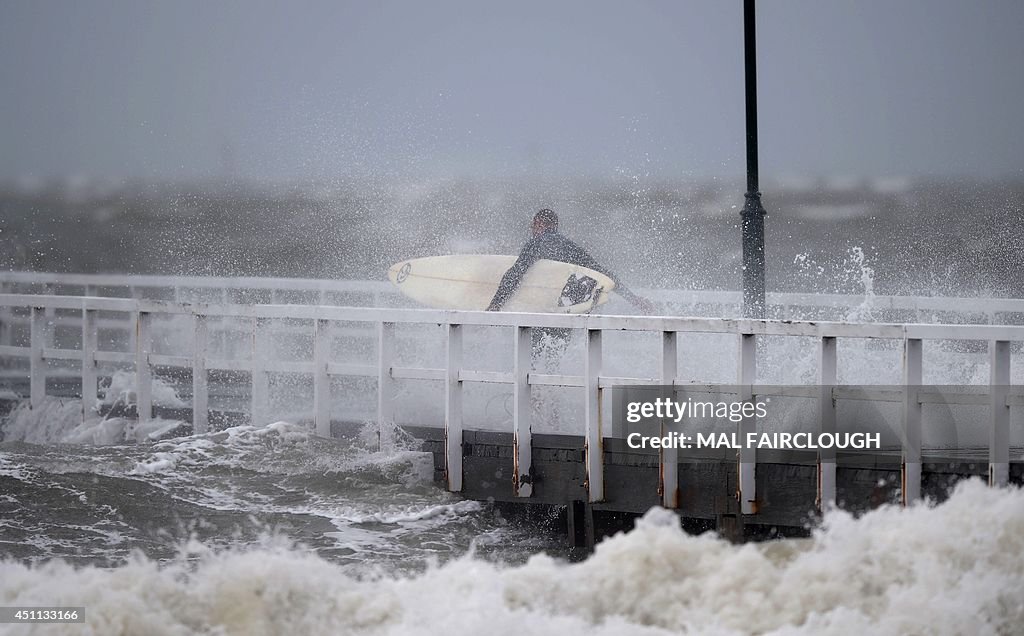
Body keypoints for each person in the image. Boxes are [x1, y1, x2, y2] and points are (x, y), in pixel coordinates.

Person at [486, 208, 654, 314]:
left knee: (532, 360)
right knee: (554, 360)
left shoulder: (534, 244)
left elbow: (514, 274)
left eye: (533, 226)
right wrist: (633, 299)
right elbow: (602, 273)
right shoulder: (570, 247)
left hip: (543, 309)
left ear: (539, 224)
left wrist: (495, 304)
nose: (532, 230)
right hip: (566, 308)